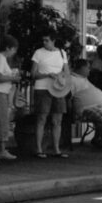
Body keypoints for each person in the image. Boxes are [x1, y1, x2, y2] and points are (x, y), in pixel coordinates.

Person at [30, 31, 69, 159]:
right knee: (42, 118)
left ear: (53, 41)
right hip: (42, 87)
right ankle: (39, 148)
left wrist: (62, 78)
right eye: (43, 40)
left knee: (57, 119)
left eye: (47, 40)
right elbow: (33, 74)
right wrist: (48, 74)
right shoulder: (39, 53)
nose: (44, 43)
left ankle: (56, 149)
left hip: (57, 88)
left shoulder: (62, 53)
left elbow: (66, 72)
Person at [0, 33, 21, 161]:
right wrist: (12, 78)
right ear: (8, 48)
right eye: (13, 49)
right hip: (0, 92)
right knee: (2, 120)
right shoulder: (0, 58)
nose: (13, 53)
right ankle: (1, 149)